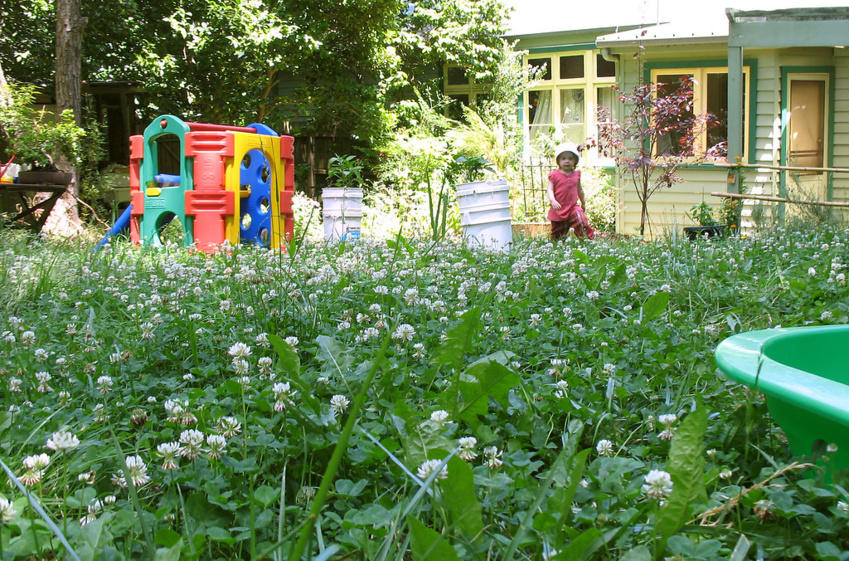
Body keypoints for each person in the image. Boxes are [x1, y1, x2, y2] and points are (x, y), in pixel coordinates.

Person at [547, 142, 594, 240]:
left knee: (581, 220)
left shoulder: (576, 174)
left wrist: (583, 202)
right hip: (559, 208)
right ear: (558, 161)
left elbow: (580, 189)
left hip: (573, 207)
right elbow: (550, 189)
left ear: (575, 161)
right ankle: (556, 244)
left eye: (570, 158)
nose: (567, 161)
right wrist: (553, 200)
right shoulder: (554, 175)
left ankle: (587, 239)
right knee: (558, 233)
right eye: (563, 158)